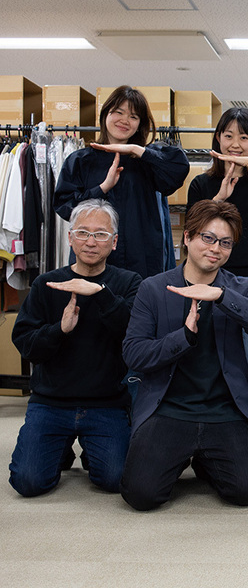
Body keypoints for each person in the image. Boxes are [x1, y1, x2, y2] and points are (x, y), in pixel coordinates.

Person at [119, 200, 248, 511]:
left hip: (225, 410)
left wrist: (221, 296)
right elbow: (134, 355)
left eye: (225, 243)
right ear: (188, 237)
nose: (215, 249)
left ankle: (205, 461)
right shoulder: (154, 288)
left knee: (247, 492)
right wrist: (184, 337)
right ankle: (184, 455)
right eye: (208, 238)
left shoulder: (237, 288)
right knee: (141, 495)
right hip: (168, 408)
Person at [10, 200, 141, 496]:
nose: (90, 242)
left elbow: (132, 332)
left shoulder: (129, 282)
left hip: (106, 403)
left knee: (115, 480)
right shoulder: (47, 284)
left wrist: (100, 293)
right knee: (28, 482)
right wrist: (59, 330)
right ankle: (61, 449)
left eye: (100, 234)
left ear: (114, 242)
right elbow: (26, 346)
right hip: (50, 402)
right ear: (70, 238)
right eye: (82, 233)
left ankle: (88, 448)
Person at [54, 85, 190, 280]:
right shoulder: (81, 161)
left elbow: (178, 169)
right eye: (118, 112)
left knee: (140, 299)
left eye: (133, 117)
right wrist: (102, 188)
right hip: (92, 259)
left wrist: (137, 150)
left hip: (142, 260)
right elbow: (65, 206)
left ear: (140, 124)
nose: (125, 120)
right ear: (105, 114)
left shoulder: (147, 161)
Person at [187, 106, 248, 376]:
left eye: (244, 137)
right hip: (210, 279)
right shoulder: (201, 184)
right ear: (218, 138)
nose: (235, 144)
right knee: (211, 362)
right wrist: (219, 198)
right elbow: (193, 231)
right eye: (228, 136)